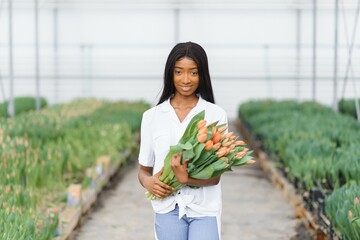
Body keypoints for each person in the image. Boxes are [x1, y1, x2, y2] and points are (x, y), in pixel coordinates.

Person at [138, 42, 228, 240]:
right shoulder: (152, 116)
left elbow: (216, 177)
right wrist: (149, 182)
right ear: (170, 74)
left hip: (204, 209)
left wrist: (185, 179)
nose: (186, 79)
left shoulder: (215, 115)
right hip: (167, 207)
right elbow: (144, 170)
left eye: (193, 72)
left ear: (202, 75)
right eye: (179, 72)